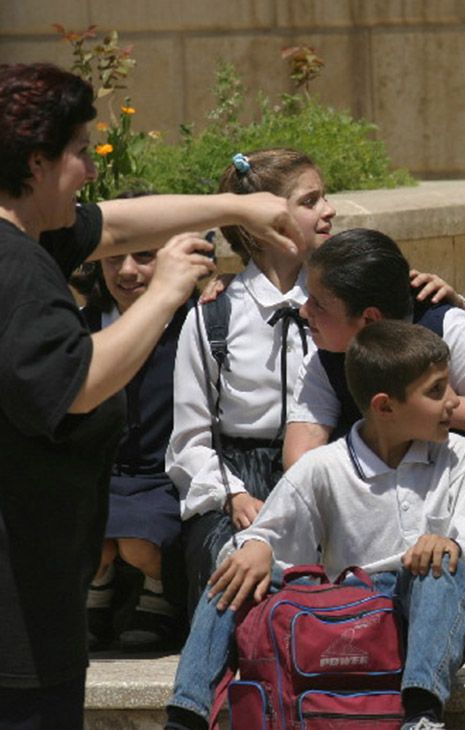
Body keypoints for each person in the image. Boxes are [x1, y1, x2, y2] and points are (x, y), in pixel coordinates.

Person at [0, 62, 300, 726]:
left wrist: (233, 207)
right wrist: (167, 290)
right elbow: (74, 382)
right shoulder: (16, 270)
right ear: (38, 162)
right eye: (80, 152)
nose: (89, 168)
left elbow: (117, 225)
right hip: (16, 622)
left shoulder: (25, 237)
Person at [164, 320, 465, 730]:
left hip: (417, 623)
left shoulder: (459, 456)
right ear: (385, 406)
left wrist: (452, 548)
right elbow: (266, 537)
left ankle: (421, 714)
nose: (453, 401)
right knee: (235, 572)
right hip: (342, 618)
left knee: (442, 571)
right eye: (436, 390)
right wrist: (255, 546)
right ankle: (186, 716)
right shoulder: (324, 466)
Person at [288, 229, 465, 574]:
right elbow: (301, 462)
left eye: (319, 304)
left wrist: (426, 406)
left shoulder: (448, 328)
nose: (303, 311)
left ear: (370, 320)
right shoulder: (325, 359)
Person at [166, 148, 338, 618]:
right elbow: (190, 439)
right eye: (311, 201)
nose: (329, 210)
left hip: (325, 471)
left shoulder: (340, 298)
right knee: (233, 567)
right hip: (239, 477)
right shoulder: (213, 316)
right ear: (263, 225)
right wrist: (234, 495)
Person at [73, 237, 193, 652]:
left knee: (139, 542)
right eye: (112, 259)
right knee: (91, 536)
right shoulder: (81, 326)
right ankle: (98, 585)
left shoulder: (191, 323)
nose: (126, 271)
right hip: (103, 471)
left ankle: (158, 591)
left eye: (144, 257)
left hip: (164, 474)